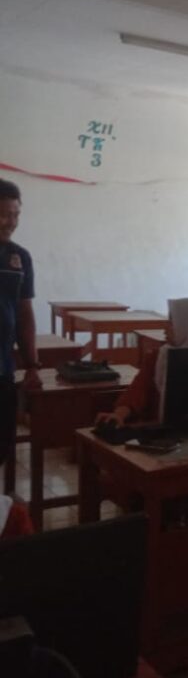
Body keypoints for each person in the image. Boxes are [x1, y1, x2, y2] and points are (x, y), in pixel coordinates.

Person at [95, 298, 188, 427]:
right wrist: (118, 415)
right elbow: (136, 393)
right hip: (162, 431)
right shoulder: (158, 357)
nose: (165, 328)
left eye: (171, 323)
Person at [0, 180, 40, 485]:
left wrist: (32, 365)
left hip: (3, 368)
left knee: (1, 445)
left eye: (15, 215)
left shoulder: (20, 257)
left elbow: (25, 315)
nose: (10, 222)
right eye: (3, 214)